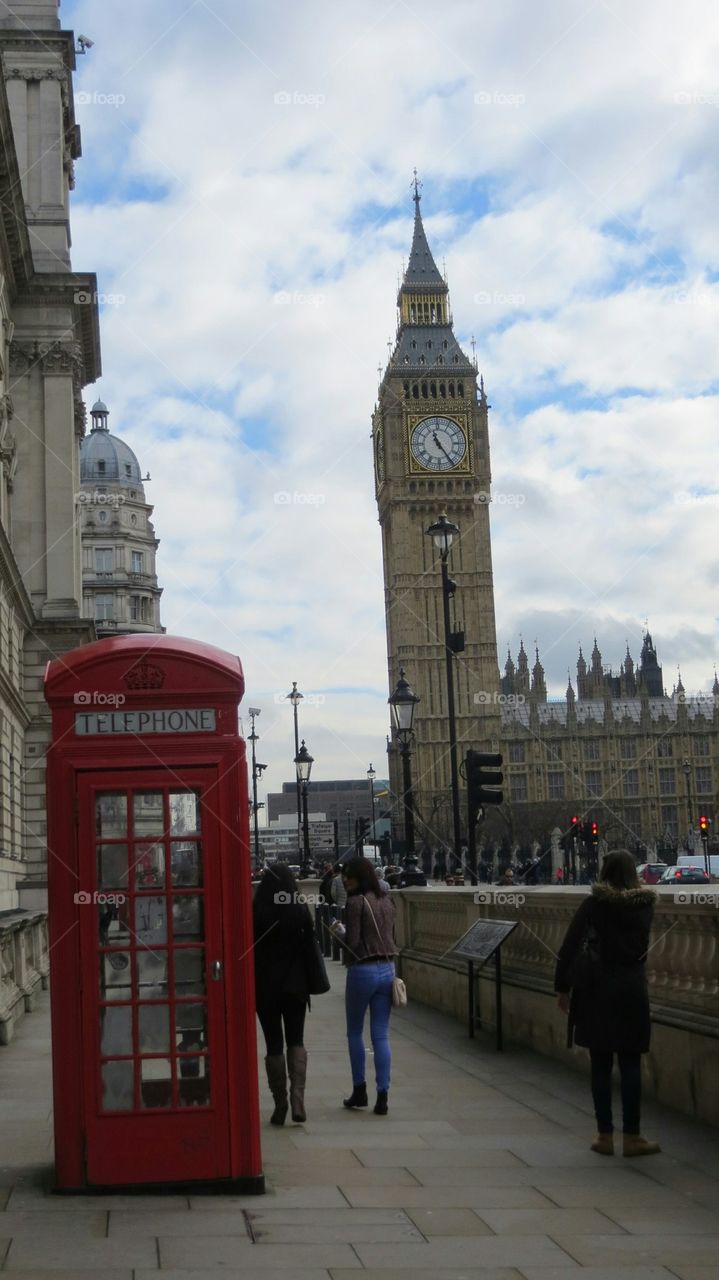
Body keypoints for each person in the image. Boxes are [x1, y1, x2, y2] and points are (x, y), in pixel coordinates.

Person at [555, 850, 660, 1158]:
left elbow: (569, 947)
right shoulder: (644, 908)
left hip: (596, 989)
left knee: (600, 1065)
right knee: (630, 1063)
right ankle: (632, 1136)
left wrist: (562, 988)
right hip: (631, 990)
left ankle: (604, 1135)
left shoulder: (593, 905)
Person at [253, 863, 315, 1126]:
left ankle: (280, 1103)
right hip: (295, 987)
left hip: (266, 987)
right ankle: (298, 1099)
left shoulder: (257, 911)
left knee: (273, 1044)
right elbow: (310, 945)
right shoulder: (299, 910)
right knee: (296, 1040)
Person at [337, 856, 398, 1116]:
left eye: (348, 876)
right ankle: (382, 1095)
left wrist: (337, 932)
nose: (344, 880)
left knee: (354, 1032)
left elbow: (352, 941)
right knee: (381, 1035)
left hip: (362, 970)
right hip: (388, 968)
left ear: (359, 877)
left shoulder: (354, 903)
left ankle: (359, 1089)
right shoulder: (386, 899)